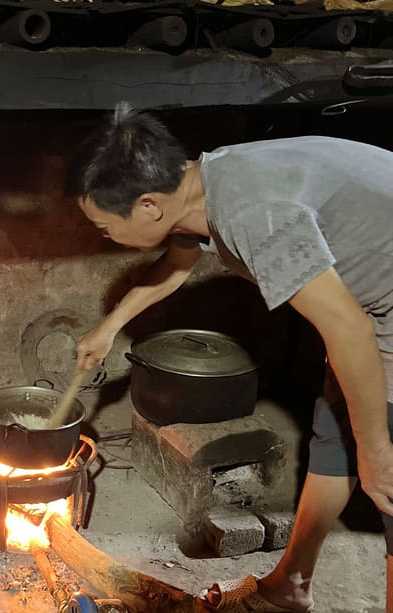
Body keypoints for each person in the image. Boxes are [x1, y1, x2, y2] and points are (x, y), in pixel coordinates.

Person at [71, 102, 393, 613]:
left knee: (387, 478)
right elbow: (178, 260)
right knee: (335, 437)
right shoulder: (206, 179)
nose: (103, 238)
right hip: (371, 300)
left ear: (150, 205)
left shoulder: (252, 214)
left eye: (105, 227)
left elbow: (348, 327)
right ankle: (291, 583)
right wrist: (109, 327)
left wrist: (376, 450)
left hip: (381, 306)